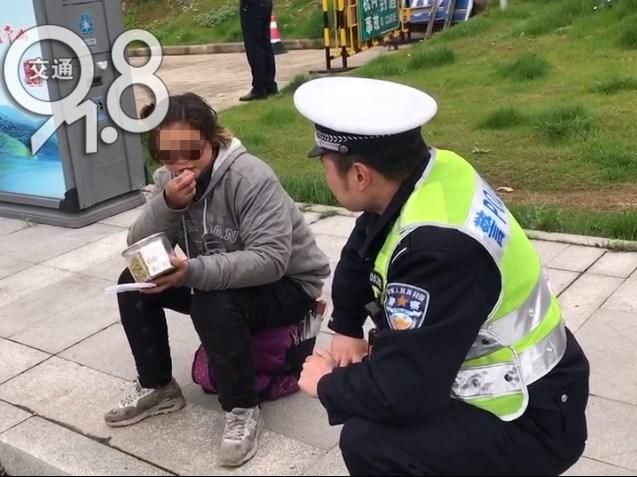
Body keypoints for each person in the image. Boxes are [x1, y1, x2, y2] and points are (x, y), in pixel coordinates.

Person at [293, 77, 590, 476]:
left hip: (532, 416)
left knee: (369, 441)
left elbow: (405, 391)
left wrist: (327, 384)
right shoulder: (435, 171)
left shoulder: (435, 250)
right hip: (539, 383)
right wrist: (346, 324)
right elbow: (366, 241)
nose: (326, 177)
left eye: (325, 163)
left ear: (360, 175)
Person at [104, 92, 331, 468]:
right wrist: (168, 205)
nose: (180, 167)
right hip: (218, 276)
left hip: (289, 285)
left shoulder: (249, 177)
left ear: (212, 140)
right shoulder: (168, 181)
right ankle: (158, 386)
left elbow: (271, 260)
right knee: (135, 280)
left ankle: (242, 409)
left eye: (190, 153)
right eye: (167, 156)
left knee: (214, 301)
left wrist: (192, 272)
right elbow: (139, 243)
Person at [239, 0, 277, 101]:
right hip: (265, 3)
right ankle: (269, 84)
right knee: (265, 43)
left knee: (254, 46)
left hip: (251, 5)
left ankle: (259, 88)